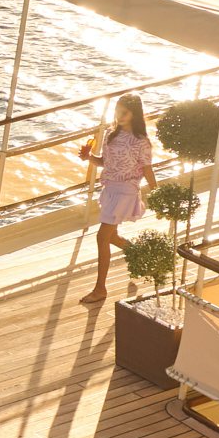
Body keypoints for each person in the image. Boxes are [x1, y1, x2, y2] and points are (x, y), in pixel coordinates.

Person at [80, 92, 158, 305]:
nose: (120, 115)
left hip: (126, 190)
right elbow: (106, 162)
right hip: (109, 188)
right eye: (118, 110)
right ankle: (140, 254)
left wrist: (157, 193)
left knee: (102, 237)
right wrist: (89, 158)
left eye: (125, 112)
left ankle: (100, 289)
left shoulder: (141, 141)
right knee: (111, 237)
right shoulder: (110, 135)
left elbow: (147, 169)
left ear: (135, 114)